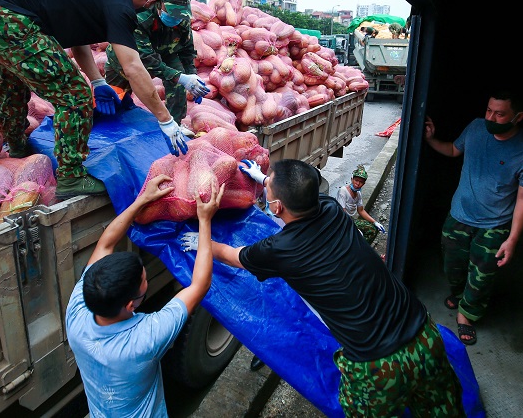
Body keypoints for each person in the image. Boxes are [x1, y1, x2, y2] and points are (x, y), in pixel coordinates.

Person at [182, 159, 465, 417]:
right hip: (424, 333)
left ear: (278, 207)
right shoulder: (331, 208)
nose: (265, 183)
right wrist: (263, 181)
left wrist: (203, 229)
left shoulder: (280, 249)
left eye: (268, 182)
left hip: (378, 364)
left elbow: (232, 255)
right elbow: (301, 195)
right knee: (445, 410)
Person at [0, 0, 190, 199]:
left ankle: (17, 147)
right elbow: (133, 67)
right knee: (75, 95)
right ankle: (71, 177)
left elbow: (77, 40)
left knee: (13, 86)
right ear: (151, 0)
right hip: (10, 18)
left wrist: (98, 81)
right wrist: (166, 120)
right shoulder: (119, 3)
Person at [65, 175, 224, 417]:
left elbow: (105, 244)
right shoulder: (145, 338)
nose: (146, 278)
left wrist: (142, 200)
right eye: (144, 280)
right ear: (130, 304)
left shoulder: (77, 311)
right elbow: (200, 285)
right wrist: (205, 220)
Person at [424, 89, 523, 346]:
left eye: (500, 114)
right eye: (489, 110)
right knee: (452, 265)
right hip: (459, 215)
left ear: (518, 116)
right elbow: (454, 151)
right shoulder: (477, 128)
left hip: (494, 224)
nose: (491, 117)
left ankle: (467, 315)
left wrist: (512, 239)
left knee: (482, 275)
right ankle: (459, 294)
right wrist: (432, 140)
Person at [104, 0, 208, 137]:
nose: (175, 18)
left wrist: (191, 75)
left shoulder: (182, 19)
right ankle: (111, 133)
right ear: (159, 3)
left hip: (166, 51)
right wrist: (179, 77)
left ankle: (175, 125)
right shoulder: (140, 18)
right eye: (172, 12)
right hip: (128, 58)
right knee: (116, 96)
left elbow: (187, 51)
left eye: (180, 13)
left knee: (179, 82)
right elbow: (146, 59)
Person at [336, 164, 386, 244]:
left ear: (364, 184)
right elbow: (342, 212)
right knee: (356, 236)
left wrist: (375, 222)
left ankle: (361, 248)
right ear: (352, 179)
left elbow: (361, 210)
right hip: (342, 221)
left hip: (350, 220)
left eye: (361, 182)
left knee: (373, 229)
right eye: (356, 180)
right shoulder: (343, 191)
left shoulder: (358, 193)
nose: (357, 184)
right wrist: (354, 228)